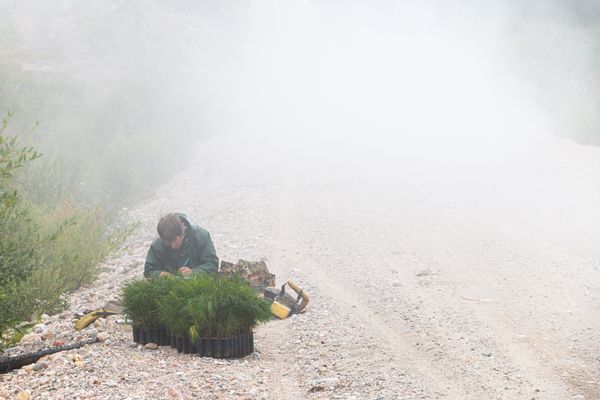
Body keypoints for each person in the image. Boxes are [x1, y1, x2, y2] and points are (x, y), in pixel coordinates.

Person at [144, 213, 218, 278]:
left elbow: (212, 265)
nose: (172, 246)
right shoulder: (158, 244)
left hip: (198, 284)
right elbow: (148, 270)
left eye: (175, 240)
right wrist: (159, 275)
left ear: (182, 233)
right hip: (169, 286)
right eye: (168, 243)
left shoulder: (202, 237)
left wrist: (193, 272)